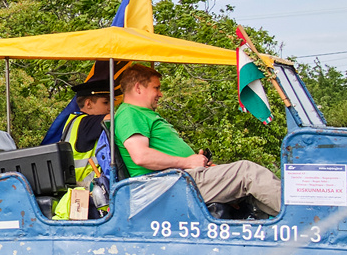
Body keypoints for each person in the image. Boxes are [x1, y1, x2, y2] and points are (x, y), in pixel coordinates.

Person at [112, 63, 281, 218]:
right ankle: (302, 217)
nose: (160, 94)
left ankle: (290, 227)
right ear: (138, 88)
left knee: (248, 189)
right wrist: (187, 162)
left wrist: (197, 162)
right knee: (247, 172)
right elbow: (141, 156)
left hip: (179, 179)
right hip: (165, 186)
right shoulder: (130, 114)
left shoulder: (143, 113)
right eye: (156, 88)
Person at [48, 73, 115, 217]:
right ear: (88, 104)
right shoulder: (86, 123)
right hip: (85, 198)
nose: (111, 107)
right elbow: (117, 118)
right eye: (106, 102)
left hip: (80, 195)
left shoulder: (75, 121)